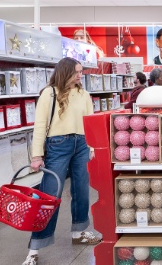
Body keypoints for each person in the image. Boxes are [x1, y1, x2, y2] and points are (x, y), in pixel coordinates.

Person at [23, 57, 101, 265]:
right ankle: (35, 248)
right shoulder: (49, 93)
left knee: (81, 190)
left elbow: (90, 122)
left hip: (82, 144)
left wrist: (91, 147)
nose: (80, 75)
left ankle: (79, 232)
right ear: (65, 72)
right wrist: (37, 155)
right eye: (76, 71)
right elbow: (40, 126)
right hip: (57, 145)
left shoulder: (84, 94)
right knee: (49, 196)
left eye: (81, 71)